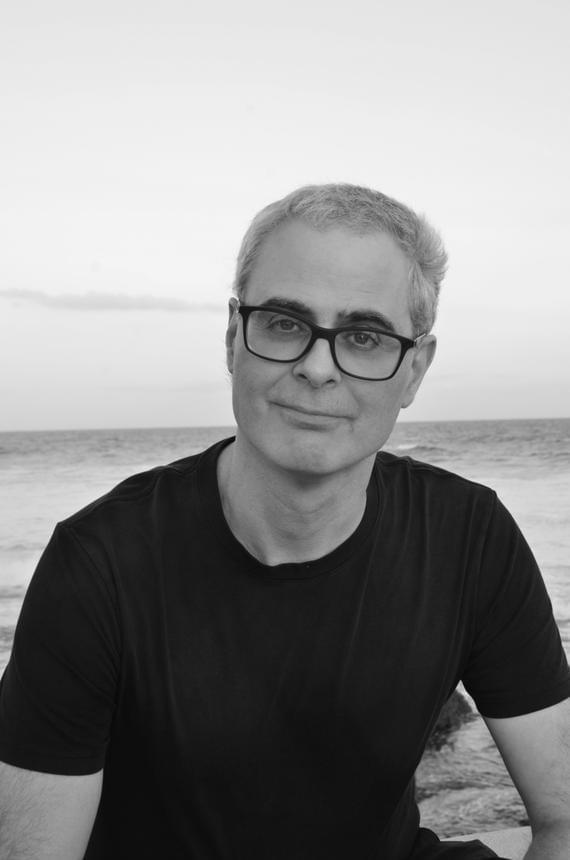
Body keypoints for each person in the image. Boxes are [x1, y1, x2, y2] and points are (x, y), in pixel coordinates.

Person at [0, 183, 569, 860]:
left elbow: (563, 815)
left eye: (364, 337)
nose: (317, 368)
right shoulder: (99, 564)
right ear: (232, 339)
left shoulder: (469, 537)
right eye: (284, 323)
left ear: (414, 369)